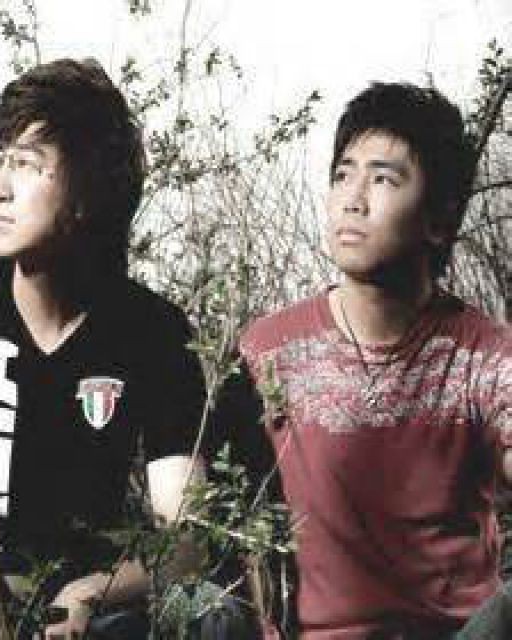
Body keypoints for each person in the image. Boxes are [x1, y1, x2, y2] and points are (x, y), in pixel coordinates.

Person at [0, 58, 209, 638]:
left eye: (27, 165)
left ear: (88, 192)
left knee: (205, 608)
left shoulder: (152, 332)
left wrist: (91, 593)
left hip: (77, 609)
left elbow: (187, 539)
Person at [220, 83, 512, 638]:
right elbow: (230, 522)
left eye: (383, 180)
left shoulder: (485, 354)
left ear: (439, 219)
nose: (353, 200)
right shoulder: (266, 351)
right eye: (342, 175)